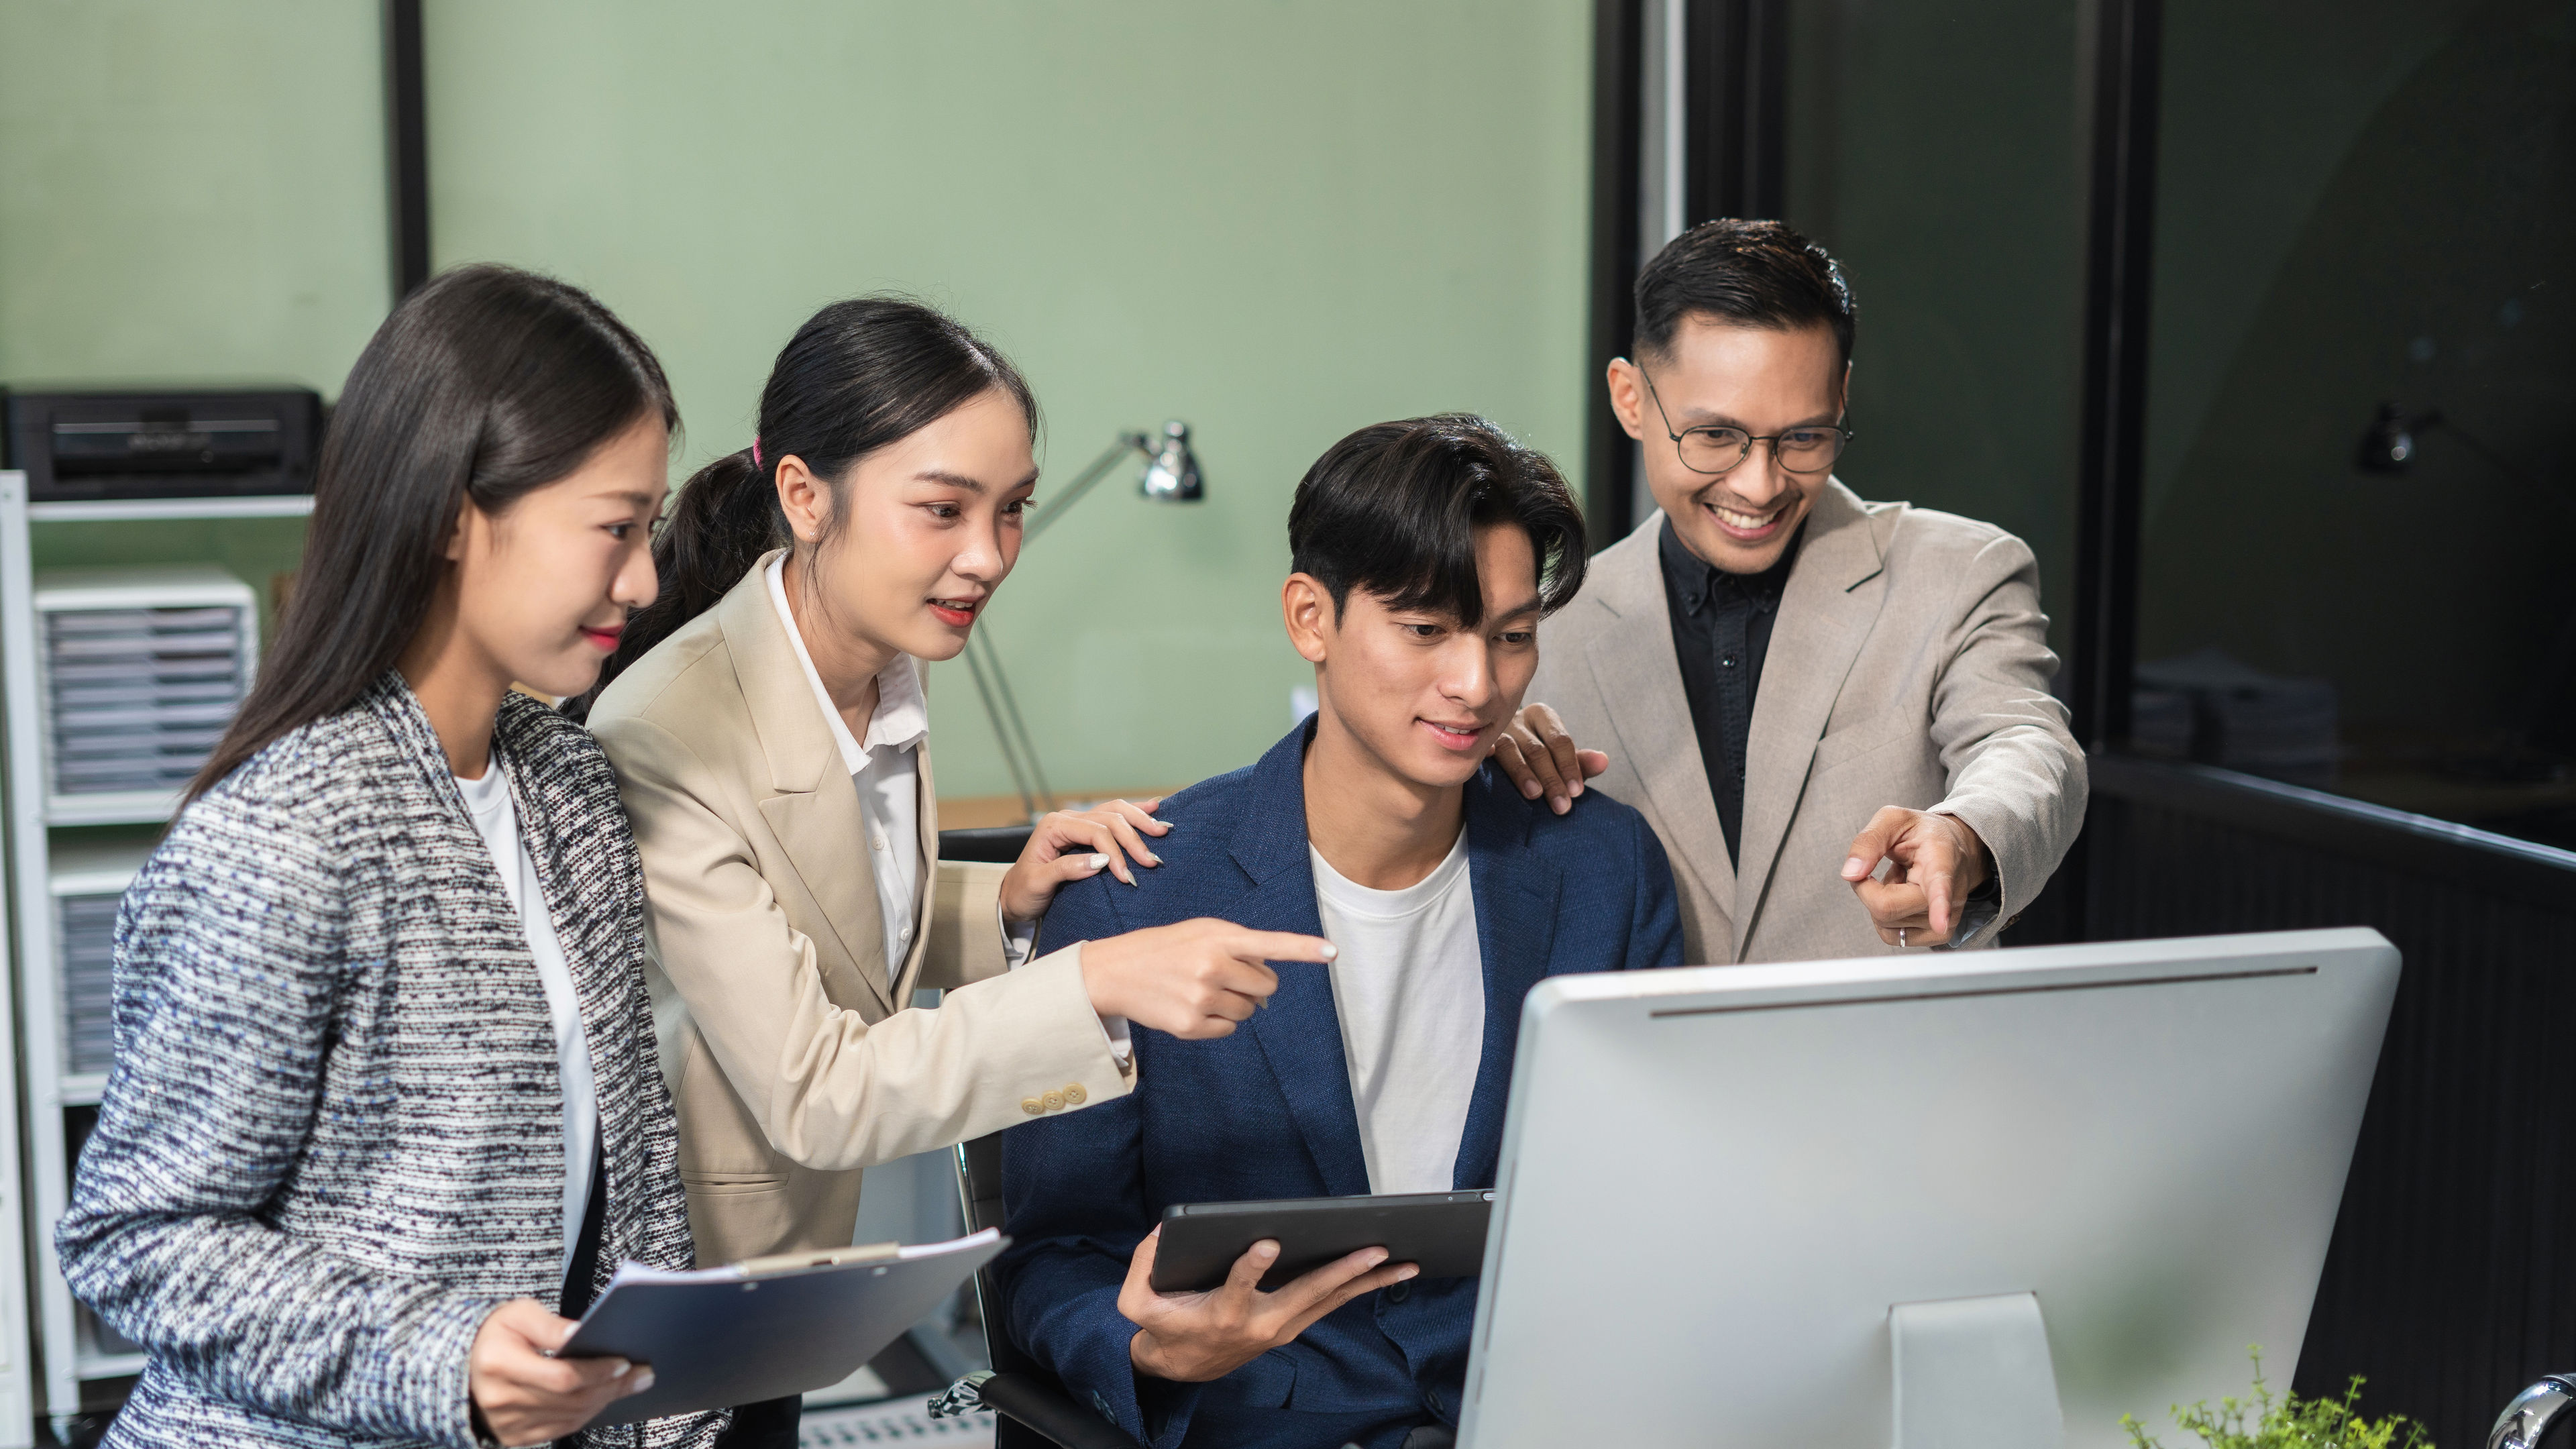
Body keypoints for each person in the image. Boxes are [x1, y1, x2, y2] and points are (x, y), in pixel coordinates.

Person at [581, 299, 1329, 1448]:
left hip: (785, 1282)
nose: (987, 557)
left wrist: (1005, 899)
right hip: (684, 1292)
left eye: (1013, 510)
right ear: (803, 496)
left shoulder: (877, 663)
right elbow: (817, 1090)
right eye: (942, 511)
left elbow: (823, 906)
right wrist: (1094, 982)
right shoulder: (666, 730)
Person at [56, 266, 718, 1448]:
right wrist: (440, 1357)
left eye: (651, 528)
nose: (645, 581)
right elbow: (136, 1242)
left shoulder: (567, 787)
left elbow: (636, 1186)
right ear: (457, 514)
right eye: (616, 528)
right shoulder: (286, 834)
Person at [996, 415, 1684, 1449]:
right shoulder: (1137, 891)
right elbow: (1050, 1254)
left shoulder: (1603, 869)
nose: (1477, 684)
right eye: (1426, 631)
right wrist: (1147, 1350)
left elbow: (1652, 1196)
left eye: (1511, 635)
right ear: (1310, 617)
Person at [1497, 218, 2088, 964]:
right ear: (1630, 399)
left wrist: (1966, 835)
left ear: (1841, 397)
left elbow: (2027, 746)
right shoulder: (1548, 627)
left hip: (1896, 1071)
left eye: (1803, 438)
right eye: (1714, 436)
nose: (1760, 484)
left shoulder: (1962, 572)